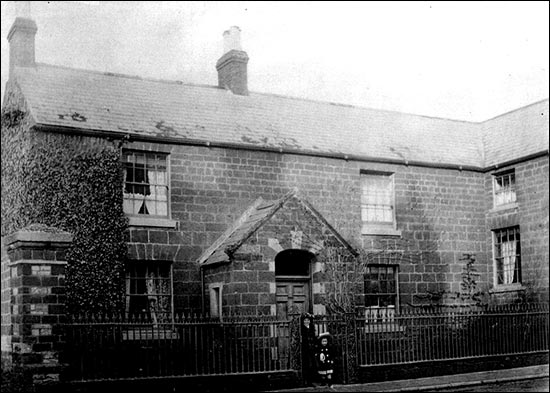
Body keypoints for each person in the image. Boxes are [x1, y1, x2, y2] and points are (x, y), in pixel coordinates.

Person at [300, 313, 317, 386]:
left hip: (312, 349)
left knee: (312, 365)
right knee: (305, 365)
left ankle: (311, 381)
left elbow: (314, 338)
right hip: (305, 349)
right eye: (305, 320)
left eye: (308, 320)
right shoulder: (301, 328)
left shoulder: (312, 328)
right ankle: (305, 381)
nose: (306, 321)